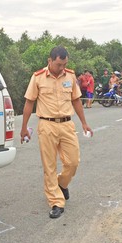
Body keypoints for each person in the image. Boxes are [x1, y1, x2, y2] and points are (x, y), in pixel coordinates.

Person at [21, 46, 93, 219]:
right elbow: (29, 102)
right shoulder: (38, 77)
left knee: (73, 162)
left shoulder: (70, 75)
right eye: (59, 64)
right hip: (47, 125)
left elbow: (76, 100)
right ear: (50, 61)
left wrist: (84, 123)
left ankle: (62, 183)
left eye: (64, 64)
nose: (62, 68)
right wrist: (24, 128)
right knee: (49, 166)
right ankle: (56, 202)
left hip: (67, 124)